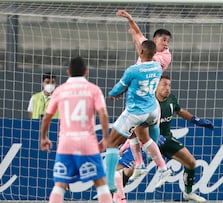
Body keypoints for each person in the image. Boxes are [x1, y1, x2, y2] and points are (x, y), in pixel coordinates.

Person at [112, 75, 214, 202]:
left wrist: (196, 120)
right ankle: (115, 196)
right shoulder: (148, 102)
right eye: (164, 85)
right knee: (129, 169)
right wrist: (151, 136)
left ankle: (188, 194)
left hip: (166, 139)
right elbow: (136, 123)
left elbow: (180, 110)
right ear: (156, 86)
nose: (168, 88)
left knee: (191, 163)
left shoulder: (171, 99)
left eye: (169, 85)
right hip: (148, 141)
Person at [103, 10, 173, 196]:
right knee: (138, 135)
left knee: (120, 141)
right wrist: (131, 21)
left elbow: (143, 56)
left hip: (145, 106)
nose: (165, 44)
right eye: (163, 40)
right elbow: (140, 38)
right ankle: (141, 165)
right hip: (146, 105)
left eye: (167, 41)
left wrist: (113, 94)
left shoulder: (163, 58)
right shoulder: (149, 56)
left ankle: (161, 169)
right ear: (155, 40)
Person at [39, 56, 113, 203]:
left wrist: (43, 137)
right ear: (86, 72)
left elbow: (47, 117)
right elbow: (103, 114)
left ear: (68, 72)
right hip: (88, 143)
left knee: (60, 185)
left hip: (66, 143)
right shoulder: (93, 89)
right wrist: (105, 138)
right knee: (101, 183)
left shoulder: (60, 91)